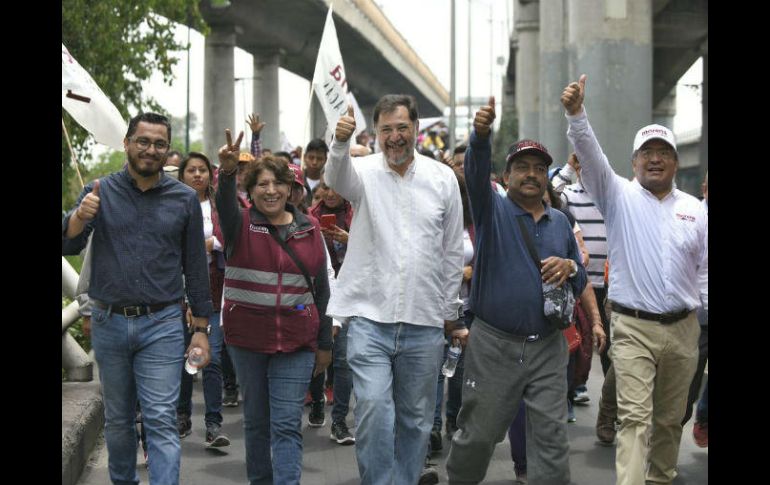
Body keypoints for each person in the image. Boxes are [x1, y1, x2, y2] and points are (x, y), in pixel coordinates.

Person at [561, 75, 708, 485]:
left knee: (669, 419)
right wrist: (576, 114)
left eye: (664, 153)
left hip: (683, 330)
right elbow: (589, 155)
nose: (655, 159)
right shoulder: (618, 195)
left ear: (676, 162)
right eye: (647, 152)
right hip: (633, 328)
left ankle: (661, 476)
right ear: (634, 162)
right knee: (634, 419)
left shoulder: (696, 210)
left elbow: (706, 271)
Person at [62, 112, 213, 485]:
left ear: (166, 151)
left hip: (162, 323)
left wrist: (201, 328)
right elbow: (68, 241)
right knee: (118, 419)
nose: (150, 150)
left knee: (160, 417)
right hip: (109, 322)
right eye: (143, 141)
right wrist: (81, 216)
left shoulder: (183, 200)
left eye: (159, 144)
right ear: (127, 143)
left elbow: (195, 267)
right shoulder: (99, 191)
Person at [445, 97, 588, 485]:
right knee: (478, 435)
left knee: (552, 439)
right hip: (494, 345)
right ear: (506, 177)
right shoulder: (492, 209)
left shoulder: (560, 222)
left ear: (546, 177)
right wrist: (479, 136)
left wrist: (571, 266)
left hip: (547, 345)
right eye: (521, 167)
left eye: (539, 169)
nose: (531, 174)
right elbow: (474, 172)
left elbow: (579, 279)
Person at [325, 95, 464, 485]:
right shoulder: (362, 171)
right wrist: (339, 141)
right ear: (376, 134)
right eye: (386, 129)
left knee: (417, 422)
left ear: (416, 129)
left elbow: (453, 250)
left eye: (402, 127)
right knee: (372, 410)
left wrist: (450, 312)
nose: (395, 137)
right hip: (370, 319)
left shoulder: (442, 179)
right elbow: (335, 178)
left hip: (424, 321)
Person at [215, 129, 333, 484]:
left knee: (285, 425)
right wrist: (226, 173)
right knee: (256, 424)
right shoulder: (239, 225)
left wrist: (324, 343)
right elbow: (223, 203)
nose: (270, 190)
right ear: (250, 191)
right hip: (247, 341)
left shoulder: (309, 227)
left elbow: (322, 289)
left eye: (278, 183)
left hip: (296, 342)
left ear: (290, 189)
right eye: (262, 184)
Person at [552, 152, 616, 443]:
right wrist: (566, 169)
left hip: (613, 287)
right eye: (585, 167)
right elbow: (547, 195)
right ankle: (572, 389)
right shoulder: (569, 196)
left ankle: (611, 410)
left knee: (613, 355)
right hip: (579, 285)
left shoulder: (615, 193)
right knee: (581, 347)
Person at [175, 152, 230, 449]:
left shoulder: (220, 205)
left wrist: (207, 243)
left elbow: (231, 236)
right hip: (178, 293)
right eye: (191, 170)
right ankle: (182, 415)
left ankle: (213, 424)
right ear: (182, 175)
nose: (198, 175)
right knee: (186, 357)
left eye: (203, 170)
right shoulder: (172, 204)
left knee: (213, 358)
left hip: (216, 290)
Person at [683, 171, 708, 448]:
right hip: (697, 317)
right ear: (705, 189)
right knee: (685, 390)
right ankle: (665, 441)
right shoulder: (691, 218)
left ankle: (704, 416)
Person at [302, 138, 329, 206]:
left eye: (319, 158)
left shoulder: (330, 184)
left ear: (325, 160)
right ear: (305, 157)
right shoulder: (297, 181)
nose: (314, 162)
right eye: (311, 158)